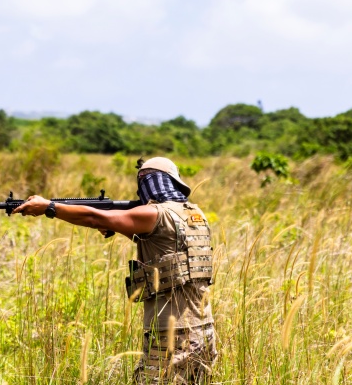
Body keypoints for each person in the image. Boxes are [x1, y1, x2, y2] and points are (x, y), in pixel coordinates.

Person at [13, 156, 218, 384]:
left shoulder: (154, 214)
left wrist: (48, 207)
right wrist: (116, 226)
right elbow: (162, 246)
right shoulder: (195, 215)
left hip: (171, 335)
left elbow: (92, 216)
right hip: (204, 331)